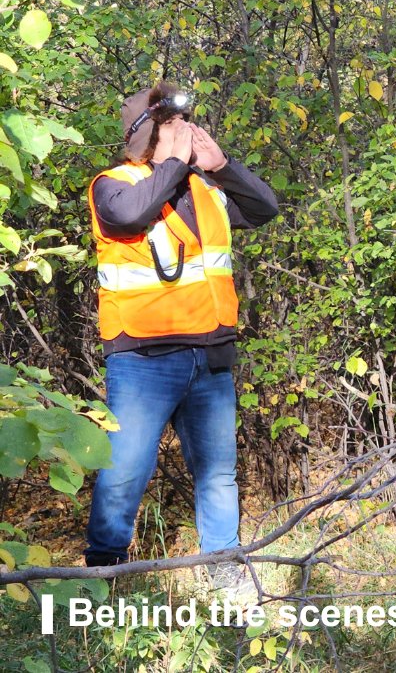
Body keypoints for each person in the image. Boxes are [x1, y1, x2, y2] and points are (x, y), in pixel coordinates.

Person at [83, 82, 278, 594]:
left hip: (209, 355)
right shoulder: (115, 184)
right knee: (124, 472)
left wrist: (222, 165)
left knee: (218, 473)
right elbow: (128, 215)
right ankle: (104, 577)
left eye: (186, 128)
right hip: (144, 358)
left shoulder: (202, 190)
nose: (185, 136)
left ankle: (225, 571)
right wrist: (171, 162)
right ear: (146, 135)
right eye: (172, 128)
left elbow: (264, 208)